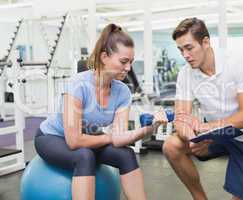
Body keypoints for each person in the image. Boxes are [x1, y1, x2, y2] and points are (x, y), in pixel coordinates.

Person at [35, 23, 167, 200]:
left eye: (131, 62)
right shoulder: (77, 85)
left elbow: (120, 137)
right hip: (52, 137)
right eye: (123, 61)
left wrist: (150, 129)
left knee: (126, 154)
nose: (128, 68)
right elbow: (74, 141)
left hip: (91, 138)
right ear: (104, 57)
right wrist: (109, 137)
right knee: (84, 156)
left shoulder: (123, 92)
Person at [163, 18, 243, 200]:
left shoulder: (237, 62)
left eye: (189, 48)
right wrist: (192, 137)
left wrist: (205, 127)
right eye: (181, 50)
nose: (185, 55)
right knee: (171, 146)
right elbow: (181, 118)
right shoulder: (185, 73)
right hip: (217, 136)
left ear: (205, 42)